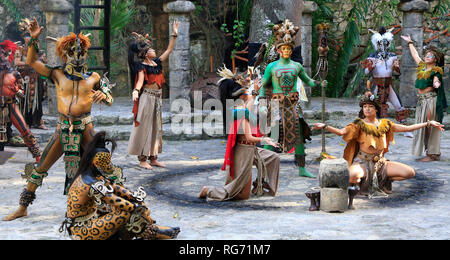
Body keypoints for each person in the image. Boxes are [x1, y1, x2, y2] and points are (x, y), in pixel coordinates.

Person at [3, 18, 114, 221]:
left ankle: (112, 203)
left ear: (86, 54)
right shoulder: (56, 74)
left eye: (81, 52)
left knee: (103, 165)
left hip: (86, 127)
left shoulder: (94, 78)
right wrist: (34, 40)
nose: (77, 56)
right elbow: (32, 62)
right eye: (72, 52)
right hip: (63, 128)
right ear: (65, 54)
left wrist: (103, 96)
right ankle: (23, 206)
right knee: (40, 167)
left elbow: (109, 98)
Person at [312, 93, 444, 197]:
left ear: (376, 109)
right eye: (365, 107)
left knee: (409, 173)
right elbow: (341, 132)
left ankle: (385, 180)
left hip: (380, 163)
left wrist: (428, 123)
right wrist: (325, 126)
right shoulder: (358, 124)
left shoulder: (385, 124)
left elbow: (407, 128)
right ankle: (362, 182)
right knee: (351, 176)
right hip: (362, 162)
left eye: (370, 106)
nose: (367, 109)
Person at [60, 131, 180, 240]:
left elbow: (114, 187)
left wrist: (133, 196)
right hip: (80, 232)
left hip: (91, 219)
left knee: (125, 209)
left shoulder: (92, 175)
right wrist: (138, 208)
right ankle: (155, 232)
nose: (109, 165)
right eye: (106, 163)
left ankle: (151, 230)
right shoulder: (90, 182)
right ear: (96, 163)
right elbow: (114, 200)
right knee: (126, 213)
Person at [198, 66, 280, 201]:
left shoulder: (241, 107)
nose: (250, 93)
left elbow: (251, 104)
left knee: (273, 158)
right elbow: (249, 136)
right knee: (240, 195)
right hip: (243, 152)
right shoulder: (239, 112)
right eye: (247, 91)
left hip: (251, 149)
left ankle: (262, 184)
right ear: (242, 95)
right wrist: (266, 140)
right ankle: (209, 190)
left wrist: (254, 92)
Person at [257, 19, 326, 178]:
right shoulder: (272, 67)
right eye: (284, 48)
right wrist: (262, 103)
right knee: (273, 135)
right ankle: (264, 169)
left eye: (289, 48)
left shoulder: (297, 66)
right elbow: (263, 85)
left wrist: (319, 83)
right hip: (275, 104)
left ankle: (302, 168)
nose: (287, 50)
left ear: (291, 50)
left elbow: (308, 81)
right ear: (279, 50)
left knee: (299, 135)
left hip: (294, 105)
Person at [127, 21, 179, 170]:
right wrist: (136, 91)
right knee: (145, 127)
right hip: (147, 98)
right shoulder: (141, 66)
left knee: (157, 127)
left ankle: (153, 157)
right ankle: (142, 159)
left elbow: (169, 50)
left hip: (157, 98)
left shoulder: (156, 63)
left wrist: (174, 34)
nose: (154, 50)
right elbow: (140, 82)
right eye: (151, 50)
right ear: (144, 54)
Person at [401, 35, 447, 162]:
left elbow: (436, 81)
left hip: (431, 100)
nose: (427, 56)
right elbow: (415, 55)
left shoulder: (436, 71)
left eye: (430, 55)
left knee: (429, 126)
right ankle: (432, 152)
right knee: (423, 126)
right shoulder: (422, 67)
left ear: (435, 59)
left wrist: (436, 84)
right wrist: (410, 42)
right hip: (422, 101)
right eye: (426, 54)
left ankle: (432, 154)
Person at [0, 39, 41, 160]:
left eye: (6, 54)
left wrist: (16, 90)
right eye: (2, 53)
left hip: (10, 105)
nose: (3, 57)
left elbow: (22, 93)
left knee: (24, 129)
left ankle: (38, 156)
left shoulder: (15, 74)